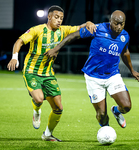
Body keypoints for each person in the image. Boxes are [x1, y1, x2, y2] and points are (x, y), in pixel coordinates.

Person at [7, 5, 96, 141]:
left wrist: (88, 23)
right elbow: (19, 41)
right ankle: (37, 111)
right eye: (56, 17)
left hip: (48, 73)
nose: (59, 20)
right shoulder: (37, 30)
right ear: (49, 17)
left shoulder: (63, 30)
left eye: (61, 18)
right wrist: (14, 57)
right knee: (39, 98)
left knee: (58, 108)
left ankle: (47, 134)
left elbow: (79, 27)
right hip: (31, 71)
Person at [45, 10, 139, 128]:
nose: (119, 27)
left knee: (126, 107)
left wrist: (132, 70)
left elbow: (125, 52)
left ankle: (116, 111)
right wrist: (56, 49)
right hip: (93, 77)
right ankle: (106, 131)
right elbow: (74, 35)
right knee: (101, 115)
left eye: (121, 24)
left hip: (112, 75)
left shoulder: (125, 36)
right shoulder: (98, 29)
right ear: (110, 21)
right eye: (116, 23)